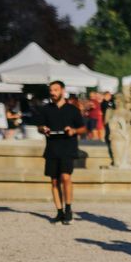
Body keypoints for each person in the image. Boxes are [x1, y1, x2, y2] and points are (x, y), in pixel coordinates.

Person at [38, 80, 86, 225]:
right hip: (52, 148)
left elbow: (83, 128)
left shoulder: (73, 109)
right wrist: (43, 129)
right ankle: (59, 212)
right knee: (54, 181)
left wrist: (73, 130)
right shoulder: (46, 109)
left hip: (68, 148)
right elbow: (39, 126)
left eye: (56, 90)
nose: (52, 93)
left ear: (62, 91)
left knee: (66, 177)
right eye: (51, 90)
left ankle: (68, 209)